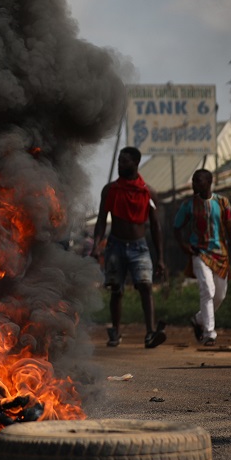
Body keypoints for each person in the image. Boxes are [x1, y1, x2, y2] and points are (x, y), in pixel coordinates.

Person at [90, 147, 167, 348]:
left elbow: (155, 226)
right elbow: (100, 220)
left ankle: (150, 333)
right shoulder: (110, 190)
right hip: (115, 245)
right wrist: (96, 244)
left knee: (145, 286)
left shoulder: (148, 192)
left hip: (139, 247)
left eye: (124, 161)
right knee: (116, 289)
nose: (120, 165)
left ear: (135, 163)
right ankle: (115, 331)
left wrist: (160, 258)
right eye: (119, 161)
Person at [173, 169, 231, 346]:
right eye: (193, 180)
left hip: (221, 254)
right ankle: (209, 333)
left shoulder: (222, 203)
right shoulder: (188, 205)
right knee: (207, 290)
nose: (194, 184)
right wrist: (184, 245)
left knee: (220, 295)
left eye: (197, 181)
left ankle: (198, 319)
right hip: (199, 253)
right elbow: (176, 227)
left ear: (208, 182)